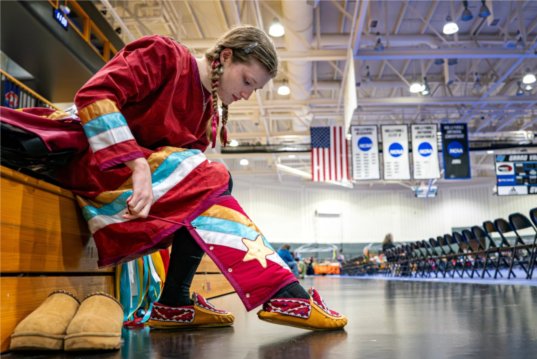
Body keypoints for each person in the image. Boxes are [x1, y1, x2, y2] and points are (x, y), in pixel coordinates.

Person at [1, 26, 347, 332]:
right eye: (247, 81)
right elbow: (94, 95)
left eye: (254, 89)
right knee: (213, 175)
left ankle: (176, 301)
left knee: (211, 181)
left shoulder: (207, 111)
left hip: (130, 187)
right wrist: (137, 165)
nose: (247, 95)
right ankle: (276, 293)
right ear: (225, 57)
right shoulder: (163, 54)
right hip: (94, 159)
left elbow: (193, 185)